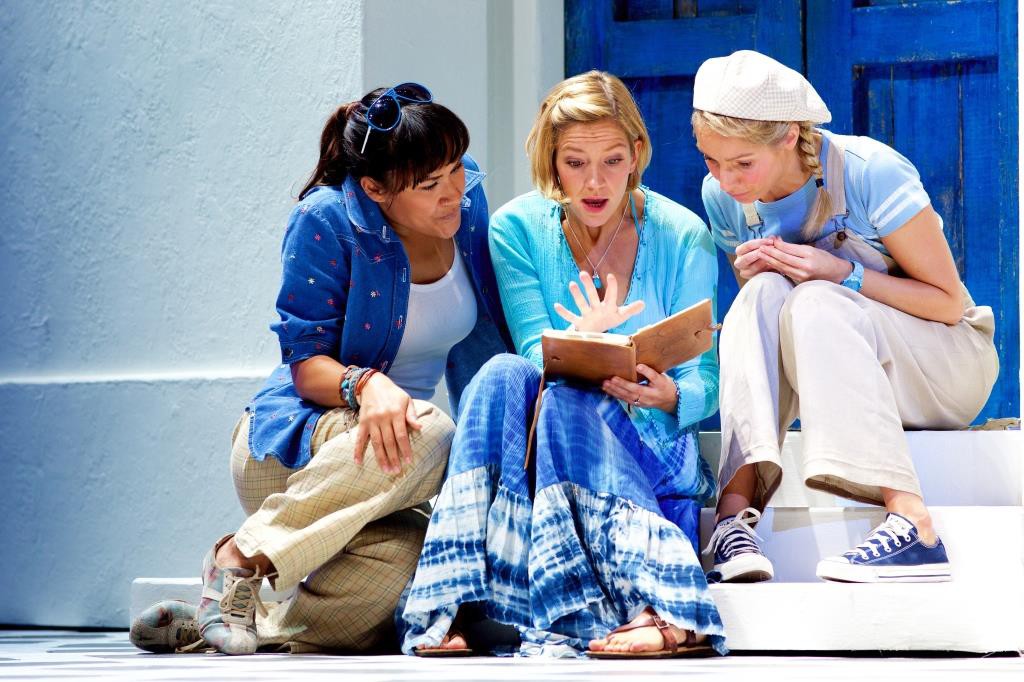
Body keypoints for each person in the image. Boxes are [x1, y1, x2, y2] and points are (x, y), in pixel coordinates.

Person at [129, 83, 511, 655]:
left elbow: (482, 349)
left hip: (393, 479)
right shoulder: (328, 220)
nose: (453, 191)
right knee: (430, 428)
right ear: (374, 188)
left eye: (456, 169)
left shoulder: (465, 201)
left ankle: (240, 620)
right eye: (430, 185)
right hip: (299, 445)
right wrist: (367, 383)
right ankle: (239, 558)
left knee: (414, 571)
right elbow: (306, 369)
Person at [395, 71, 726, 659]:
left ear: (637, 155)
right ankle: (452, 602)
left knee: (574, 399)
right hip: (546, 435)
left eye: (612, 160)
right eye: (575, 163)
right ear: (552, 163)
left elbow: (704, 383)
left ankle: (670, 608)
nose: (595, 182)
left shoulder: (685, 235)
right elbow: (531, 358)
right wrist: (582, 336)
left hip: (651, 439)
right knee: (500, 374)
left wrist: (667, 395)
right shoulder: (516, 228)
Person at [691, 51, 998, 584]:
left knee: (817, 299)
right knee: (760, 292)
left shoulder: (867, 171)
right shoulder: (723, 198)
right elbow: (771, 319)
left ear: (789, 135)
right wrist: (760, 273)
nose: (726, 180)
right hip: (842, 373)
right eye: (711, 161)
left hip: (946, 365)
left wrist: (843, 273)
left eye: (742, 164)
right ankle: (732, 518)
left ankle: (912, 524)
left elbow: (948, 302)